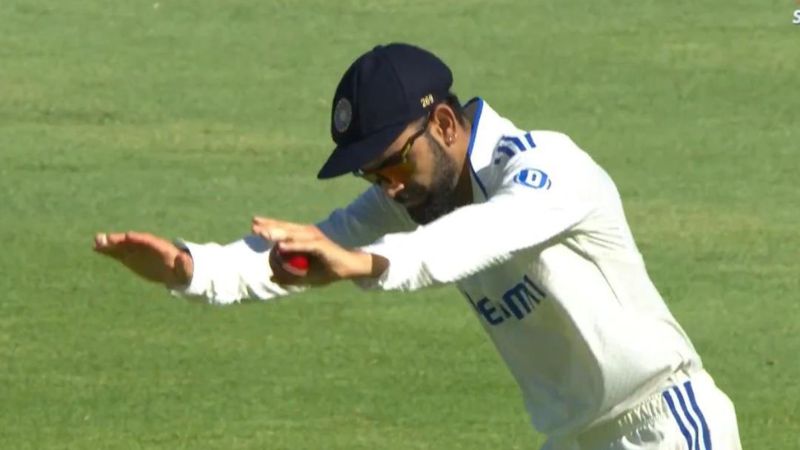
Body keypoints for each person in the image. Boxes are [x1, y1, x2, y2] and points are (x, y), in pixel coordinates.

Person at [94, 43, 742, 449]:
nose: (389, 189)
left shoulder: (545, 167)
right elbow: (309, 248)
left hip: (666, 425)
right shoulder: (413, 194)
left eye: (394, 165)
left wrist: (367, 264)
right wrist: (190, 267)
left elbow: (479, 236)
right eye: (373, 175)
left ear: (443, 123)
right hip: (571, 438)